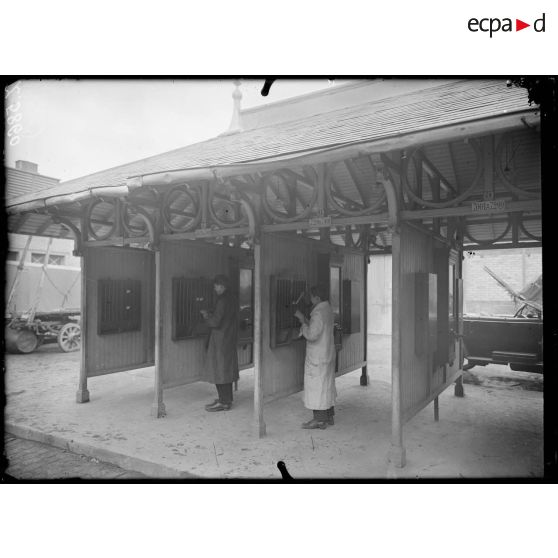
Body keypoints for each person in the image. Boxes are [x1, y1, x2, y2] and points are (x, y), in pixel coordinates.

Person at [294, 285, 336, 429]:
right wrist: (306, 320)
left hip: (318, 356)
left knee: (317, 387)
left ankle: (319, 419)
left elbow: (312, 335)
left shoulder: (318, 313)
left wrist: (302, 323)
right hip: (326, 354)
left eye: (311, 297)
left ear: (317, 298)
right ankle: (329, 416)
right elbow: (318, 328)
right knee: (326, 386)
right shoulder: (327, 309)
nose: (310, 299)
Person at [200, 275, 239, 412]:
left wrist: (206, 316)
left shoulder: (222, 300)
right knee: (226, 370)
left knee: (219, 370)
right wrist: (213, 313)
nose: (214, 288)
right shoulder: (232, 298)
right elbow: (225, 316)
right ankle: (226, 399)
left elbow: (216, 322)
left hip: (220, 339)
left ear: (222, 286)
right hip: (228, 338)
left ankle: (223, 402)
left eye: (216, 285)